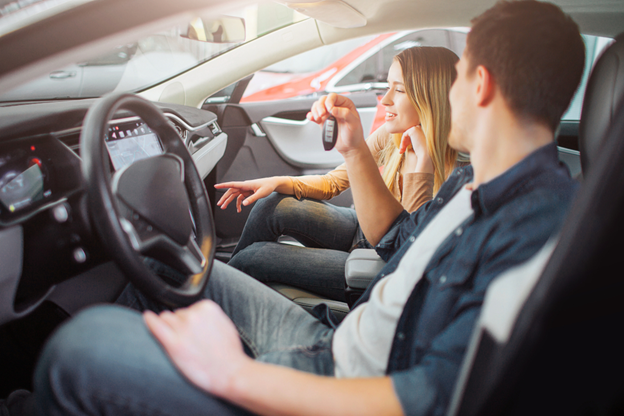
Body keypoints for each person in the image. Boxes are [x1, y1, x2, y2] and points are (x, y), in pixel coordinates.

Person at [29, 2, 585, 416]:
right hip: (338, 334)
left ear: (481, 85)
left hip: (341, 380)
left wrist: (232, 374)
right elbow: (392, 237)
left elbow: (430, 398)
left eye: (461, 73)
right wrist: (353, 146)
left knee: (83, 347)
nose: (453, 86)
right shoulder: (475, 183)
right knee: (165, 266)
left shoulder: (535, 227)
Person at [217, 46, 464, 302]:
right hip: (362, 229)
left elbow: (406, 250)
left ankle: (215, 308)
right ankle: (223, 296)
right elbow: (333, 182)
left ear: (431, 97)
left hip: (381, 262)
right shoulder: (393, 135)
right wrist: (275, 182)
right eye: (387, 85)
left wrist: (422, 164)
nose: (385, 99)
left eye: (399, 90)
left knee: (254, 258)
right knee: (270, 204)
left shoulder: (459, 176)